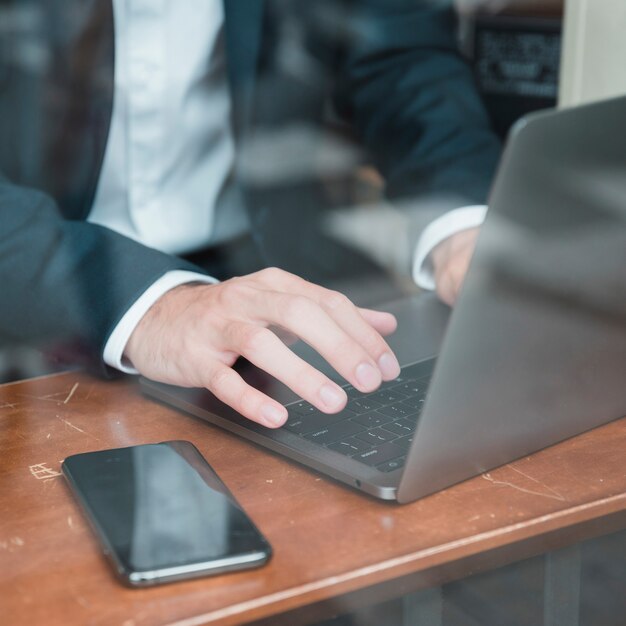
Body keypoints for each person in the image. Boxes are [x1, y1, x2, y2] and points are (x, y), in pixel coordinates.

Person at [0, 1, 500, 427]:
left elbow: (400, 58)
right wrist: (155, 306)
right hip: (27, 306)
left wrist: (461, 227)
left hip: (269, 286)